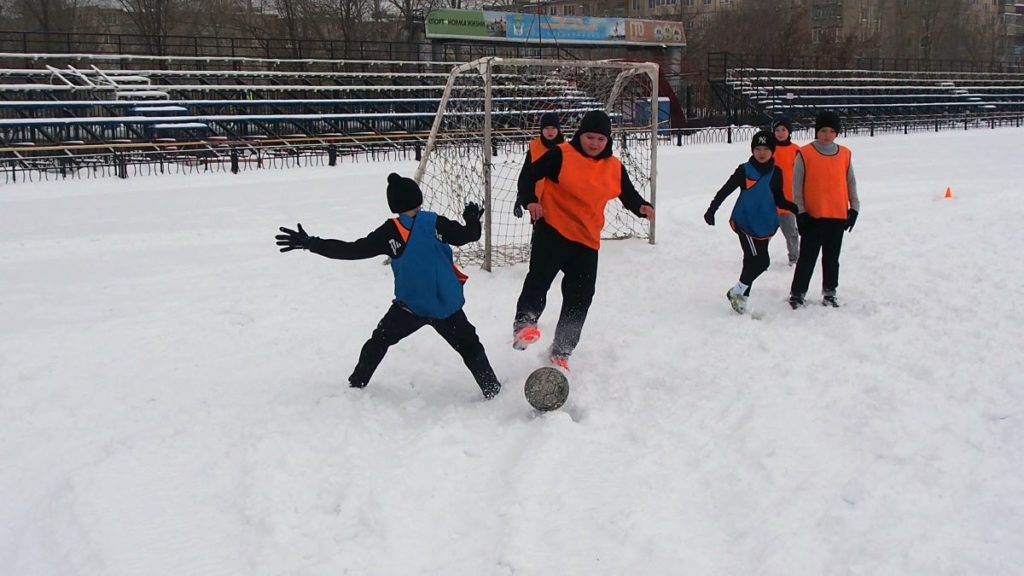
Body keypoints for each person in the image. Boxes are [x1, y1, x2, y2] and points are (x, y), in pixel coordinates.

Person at [275, 172, 502, 399]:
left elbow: (351, 250)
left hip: (410, 307)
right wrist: (472, 218)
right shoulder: (435, 223)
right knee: (470, 346)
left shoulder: (390, 231)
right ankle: (492, 390)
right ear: (418, 198)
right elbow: (470, 234)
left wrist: (311, 243)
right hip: (445, 307)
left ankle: (356, 384)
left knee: (379, 340)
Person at [513, 109, 655, 370]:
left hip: (586, 240)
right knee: (539, 278)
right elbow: (529, 176)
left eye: (600, 139)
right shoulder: (561, 154)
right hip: (553, 228)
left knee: (581, 295)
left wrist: (641, 207)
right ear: (580, 135)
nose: (594, 143)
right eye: (589, 137)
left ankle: (561, 350)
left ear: (608, 141)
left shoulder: (613, 167)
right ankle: (525, 323)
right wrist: (530, 200)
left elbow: (628, 194)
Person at [703, 130, 799, 314]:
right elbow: (725, 190)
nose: (761, 153)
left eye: (766, 149)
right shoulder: (745, 170)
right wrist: (712, 209)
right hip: (745, 222)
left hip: (765, 223)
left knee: (750, 262)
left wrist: (795, 208)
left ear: (772, 151)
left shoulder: (776, 172)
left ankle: (741, 298)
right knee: (762, 261)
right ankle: (737, 291)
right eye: (757, 149)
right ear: (752, 150)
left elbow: (779, 199)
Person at [789, 110, 860, 309]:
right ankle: (798, 293)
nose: (827, 135)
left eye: (831, 131)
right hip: (813, 216)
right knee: (807, 257)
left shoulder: (844, 154)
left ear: (836, 133)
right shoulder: (805, 153)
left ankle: (830, 292)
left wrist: (854, 207)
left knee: (832, 258)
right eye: (823, 131)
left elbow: (850, 182)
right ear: (816, 131)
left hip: (837, 215)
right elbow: (797, 185)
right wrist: (801, 211)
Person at [516, 112, 564, 212]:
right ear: (541, 129)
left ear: (558, 129)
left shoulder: (566, 149)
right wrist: (523, 197)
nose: (550, 131)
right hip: (537, 203)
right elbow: (525, 175)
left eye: (553, 128)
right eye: (546, 128)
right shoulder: (534, 147)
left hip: (560, 202)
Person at [772, 115, 801, 265]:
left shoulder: (796, 150)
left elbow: (803, 173)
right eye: (777, 130)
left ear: (789, 131)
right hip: (770, 200)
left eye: (783, 130)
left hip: (788, 200)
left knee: (790, 232)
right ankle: (759, 259)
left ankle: (794, 257)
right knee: (763, 232)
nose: (780, 133)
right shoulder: (769, 149)